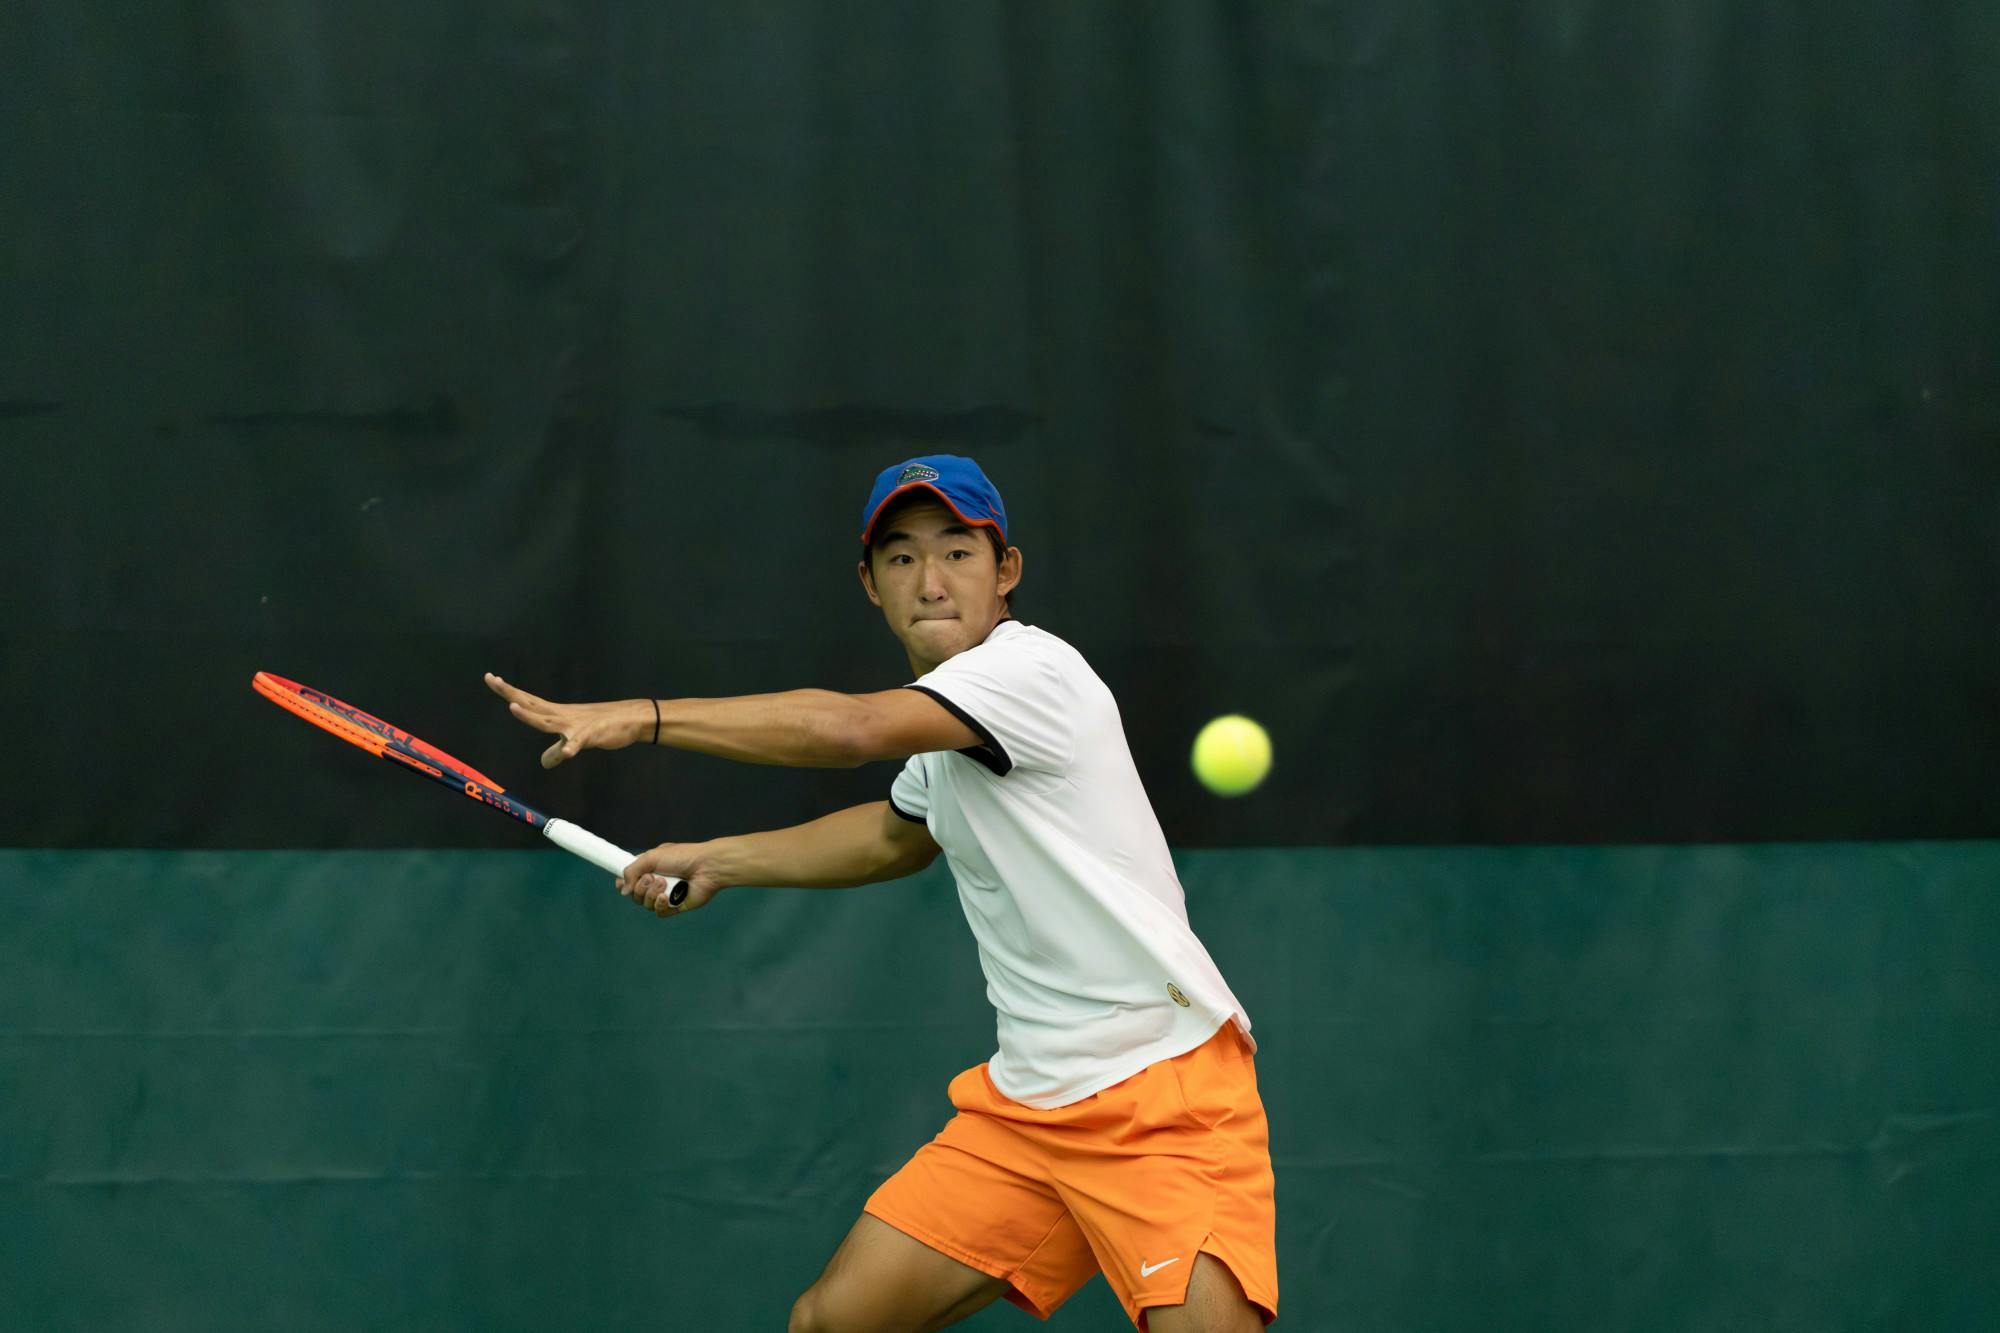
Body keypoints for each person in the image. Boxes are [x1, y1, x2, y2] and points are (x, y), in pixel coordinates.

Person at [485, 455, 1277, 1331]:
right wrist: (720, 858)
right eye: (901, 559)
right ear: (870, 583)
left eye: (957, 554)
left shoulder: (1030, 675)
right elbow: (897, 835)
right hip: (1031, 1105)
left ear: (1005, 570)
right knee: (832, 1322)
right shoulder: (949, 728)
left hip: (1160, 1094)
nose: (930, 582)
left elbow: (853, 728)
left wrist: (642, 715)